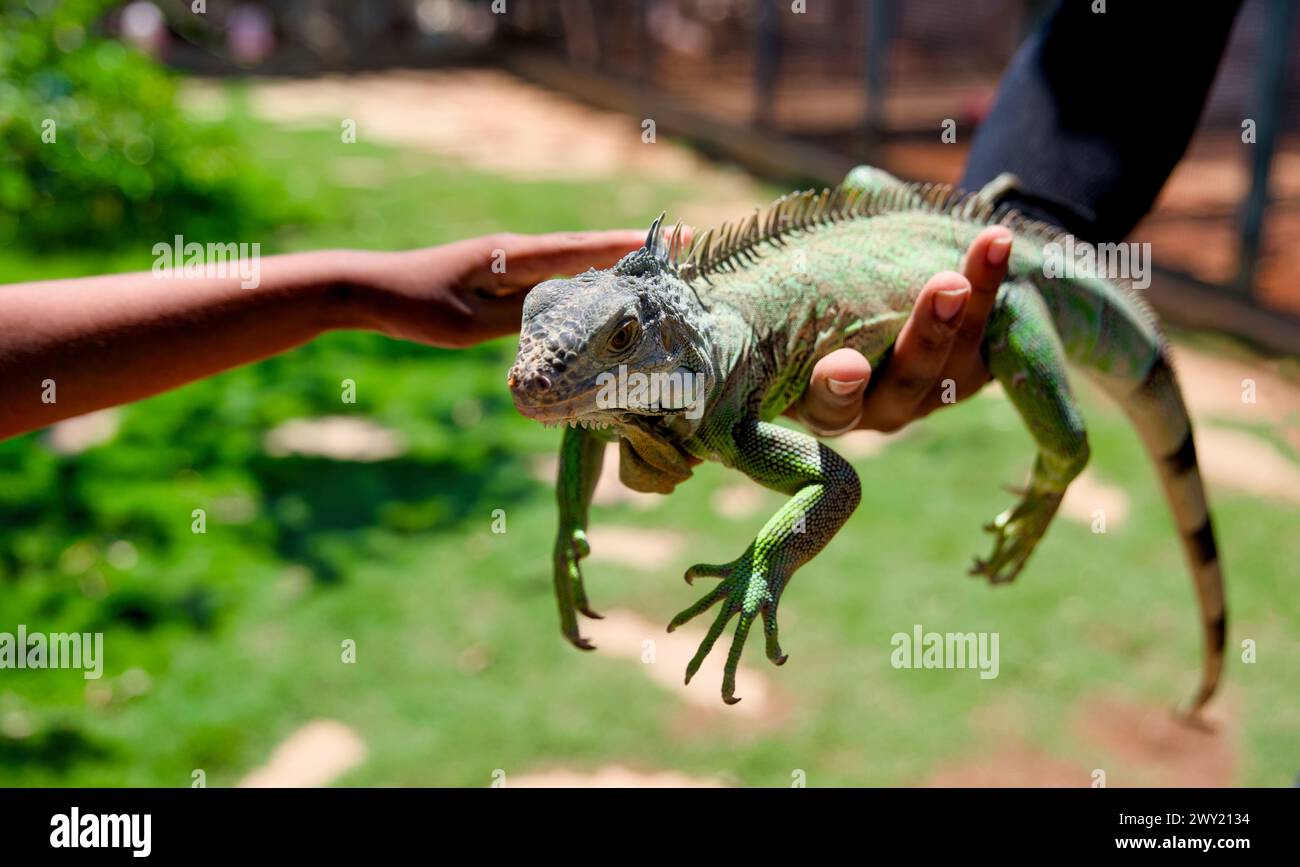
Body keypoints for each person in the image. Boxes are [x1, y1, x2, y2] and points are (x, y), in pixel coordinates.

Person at [0, 226, 1012, 442]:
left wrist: (350, 287)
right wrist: (348, 288)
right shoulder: (624, 393)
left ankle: (1060, 475)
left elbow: (831, 476)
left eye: (615, 343)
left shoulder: (702, 379)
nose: (530, 379)